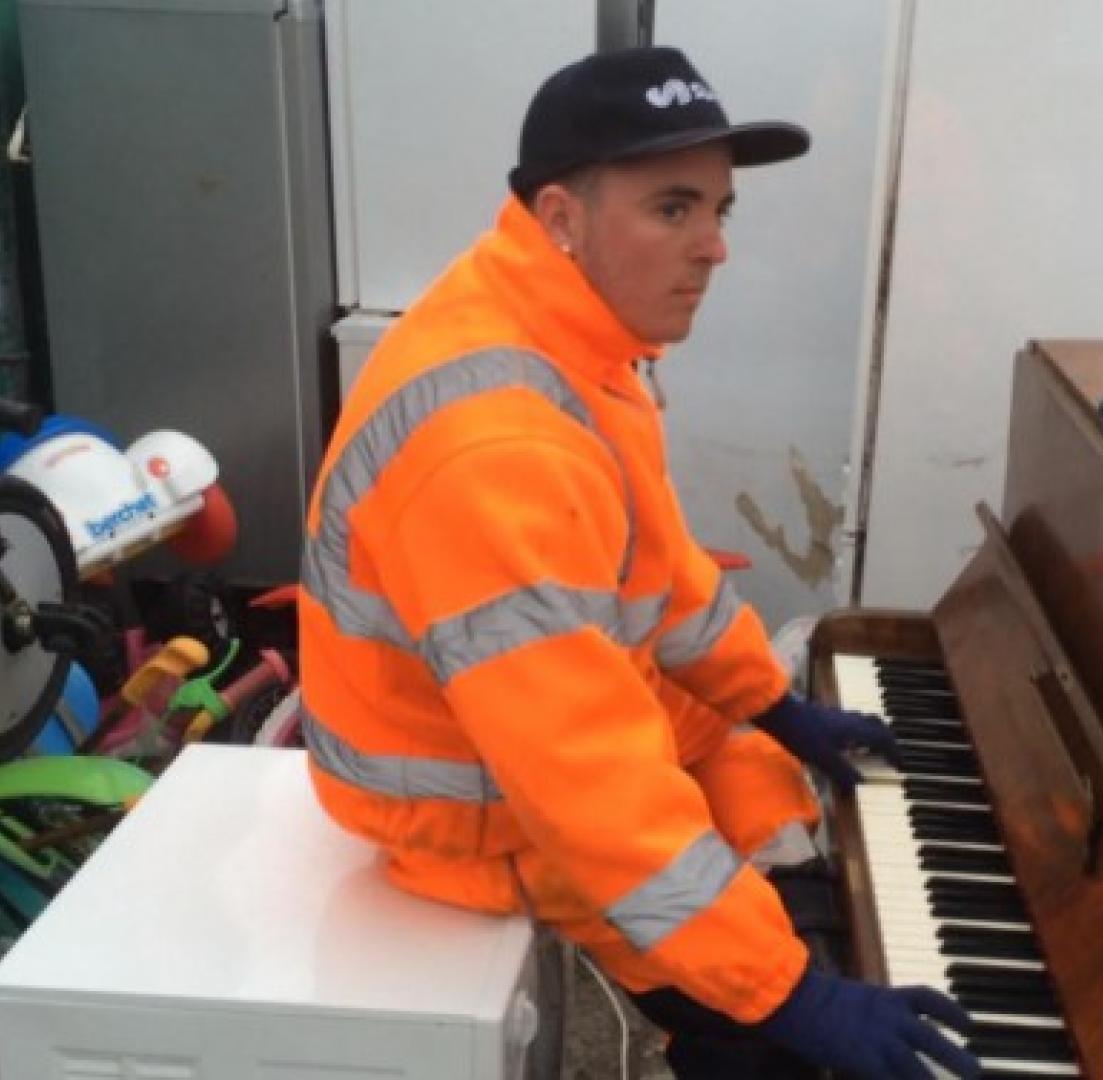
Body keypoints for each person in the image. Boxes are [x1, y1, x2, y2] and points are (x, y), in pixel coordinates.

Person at [298, 46, 982, 1080]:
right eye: (673, 210)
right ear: (565, 218)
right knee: (772, 1020)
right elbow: (586, 794)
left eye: (720, 210)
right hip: (482, 811)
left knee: (773, 803)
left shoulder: (572, 337)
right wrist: (786, 991)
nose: (714, 249)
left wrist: (773, 707)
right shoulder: (496, 445)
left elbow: (658, 573)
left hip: (553, 732)